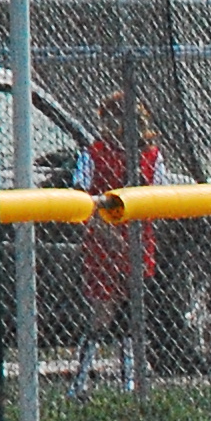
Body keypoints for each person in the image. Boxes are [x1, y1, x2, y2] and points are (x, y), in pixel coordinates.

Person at [68, 88, 160, 396]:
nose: (114, 125)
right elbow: (81, 200)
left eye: (122, 118)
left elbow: (158, 197)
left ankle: (130, 382)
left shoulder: (151, 155)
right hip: (103, 246)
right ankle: (80, 381)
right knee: (102, 313)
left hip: (139, 243)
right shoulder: (93, 153)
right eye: (110, 119)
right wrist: (107, 233)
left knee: (132, 313)